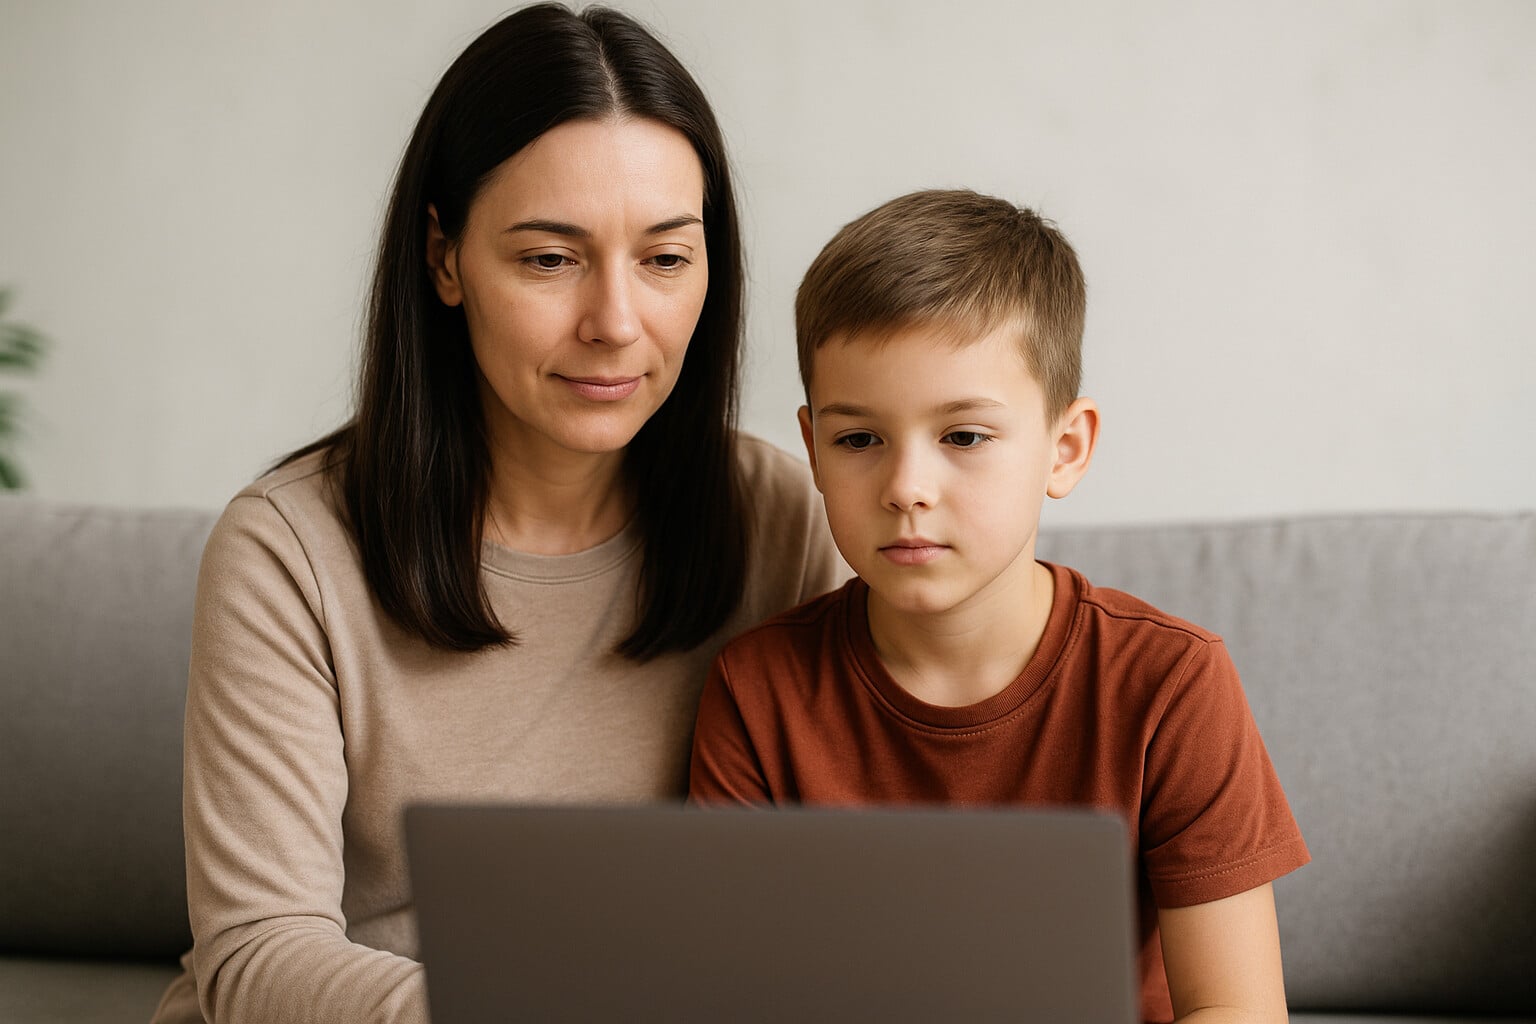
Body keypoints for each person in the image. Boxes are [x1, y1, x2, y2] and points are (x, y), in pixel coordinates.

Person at [151, 6, 846, 1023]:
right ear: (444, 259)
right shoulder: (290, 550)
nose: (615, 323)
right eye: (549, 258)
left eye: (665, 258)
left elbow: (857, 879)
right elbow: (259, 954)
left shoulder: (780, 520)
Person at [689, 189, 1311, 1024]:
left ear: (1066, 448)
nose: (907, 489)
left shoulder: (1172, 683)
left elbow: (1236, 1010)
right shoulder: (757, 690)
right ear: (811, 450)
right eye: (859, 439)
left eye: (964, 437)